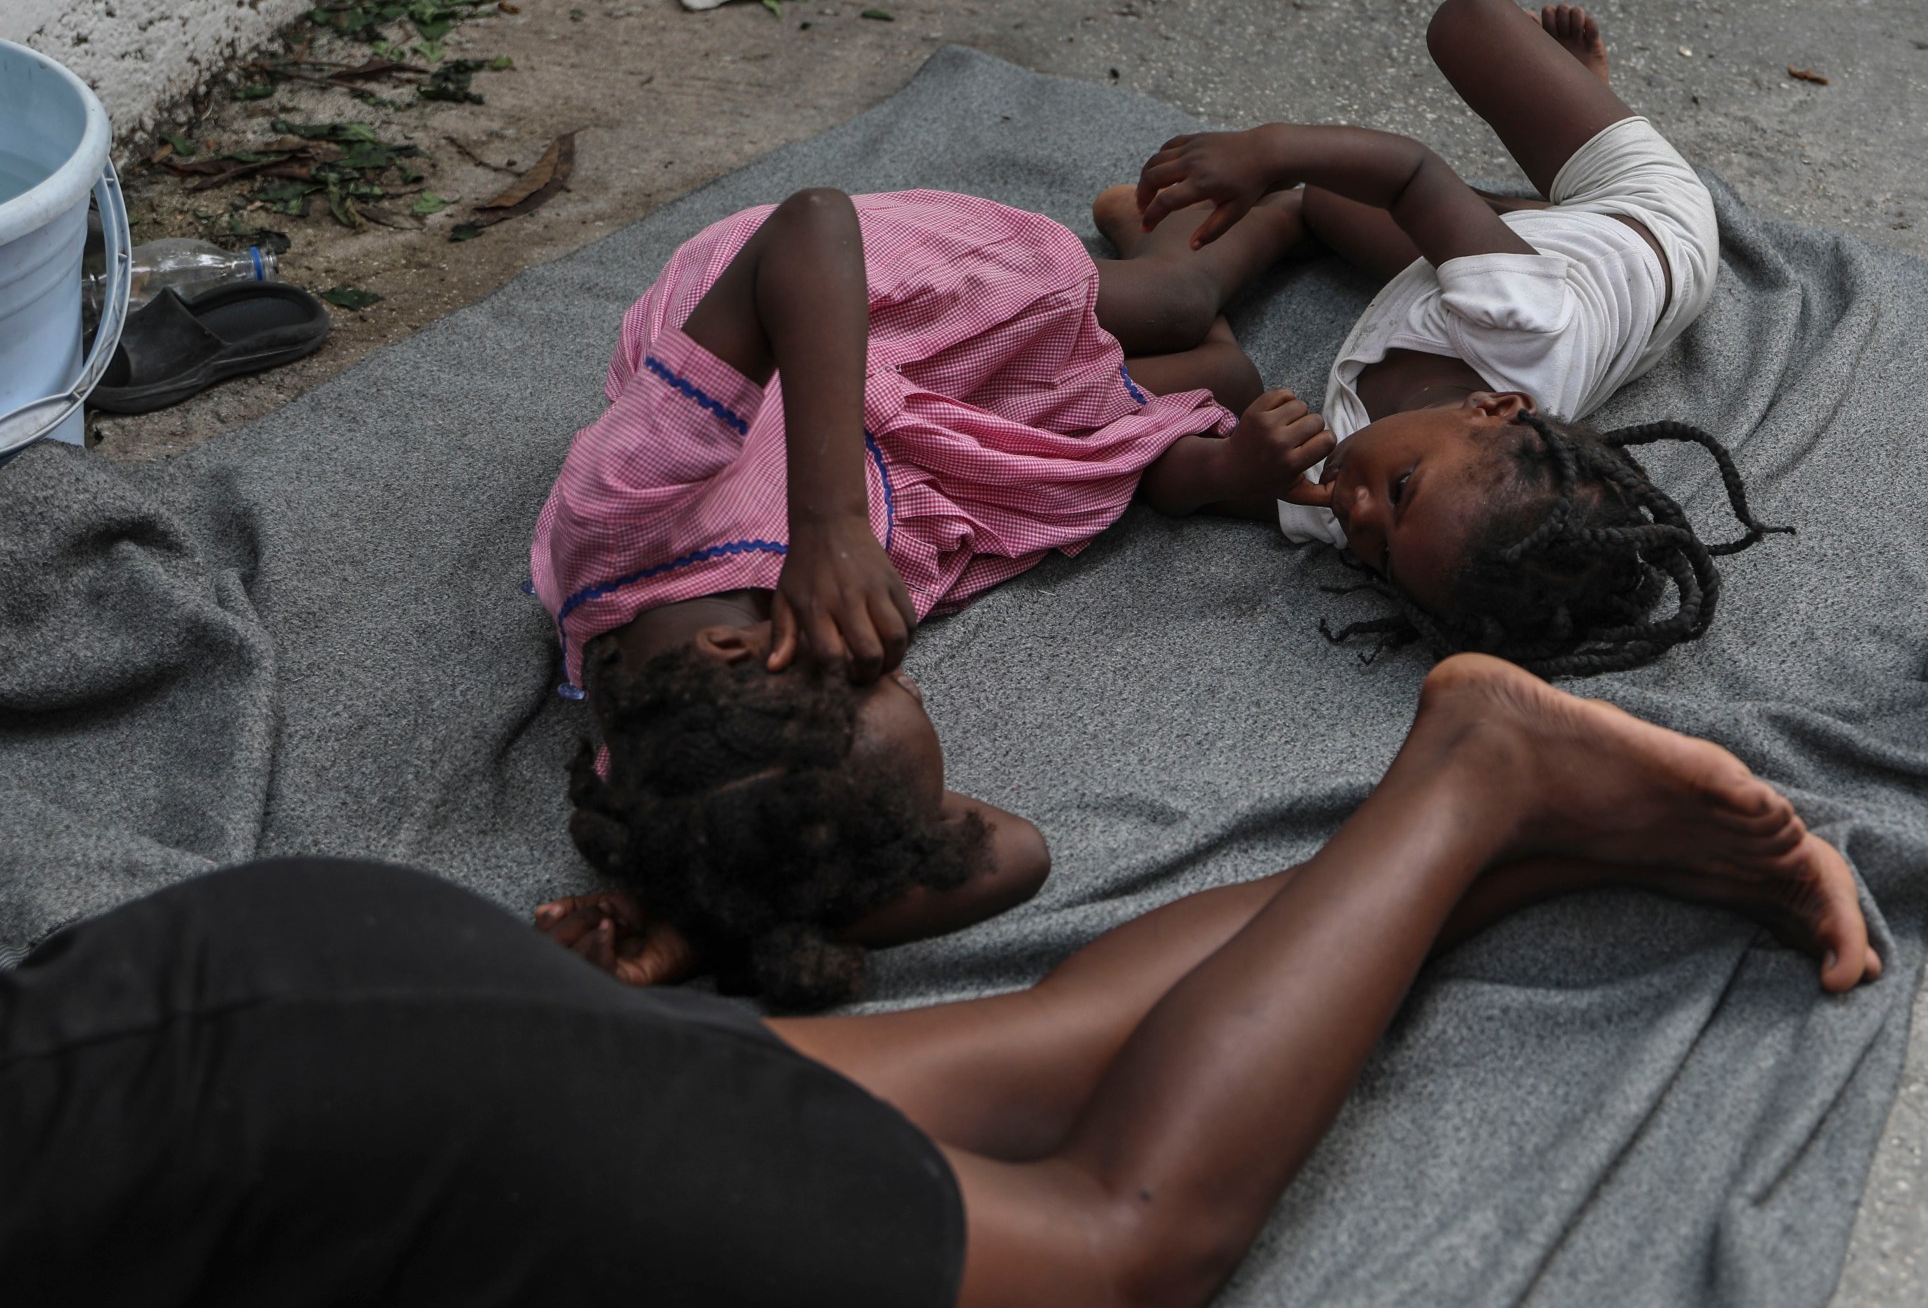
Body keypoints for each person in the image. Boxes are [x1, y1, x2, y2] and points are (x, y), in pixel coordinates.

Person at [0, 655, 1880, 1308]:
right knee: (1041, 1055)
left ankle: (1477, 767)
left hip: (334, 1139)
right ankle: (1480, 849)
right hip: (259, 969)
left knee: (1114, 1241)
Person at [528, 183, 1329, 1006]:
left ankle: (1285, 207)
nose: (902, 665)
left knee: (1175, 302)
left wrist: (829, 525)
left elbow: (811, 224)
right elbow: (1016, 855)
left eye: (867, 671)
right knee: (1217, 385)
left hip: (820, 317)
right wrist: (713, 926)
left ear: (735, 649)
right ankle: (1132, 326)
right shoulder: (710, 818)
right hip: (906, 446)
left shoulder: (623, 506)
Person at [1109, 0, 1787, 679]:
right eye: (1402, 487)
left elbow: (1161, 474)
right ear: (1493, 407)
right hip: (1642, 223)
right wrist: (1270, 151)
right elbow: (1409, 173)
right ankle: (1574, 107)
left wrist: (1228, 470)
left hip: (1489, 273)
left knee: (1324, 207)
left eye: (1381, 555)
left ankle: (1476, 216)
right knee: (1469, 24)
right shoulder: (1521, 323)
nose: (1359, 510)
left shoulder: (1343, 505)